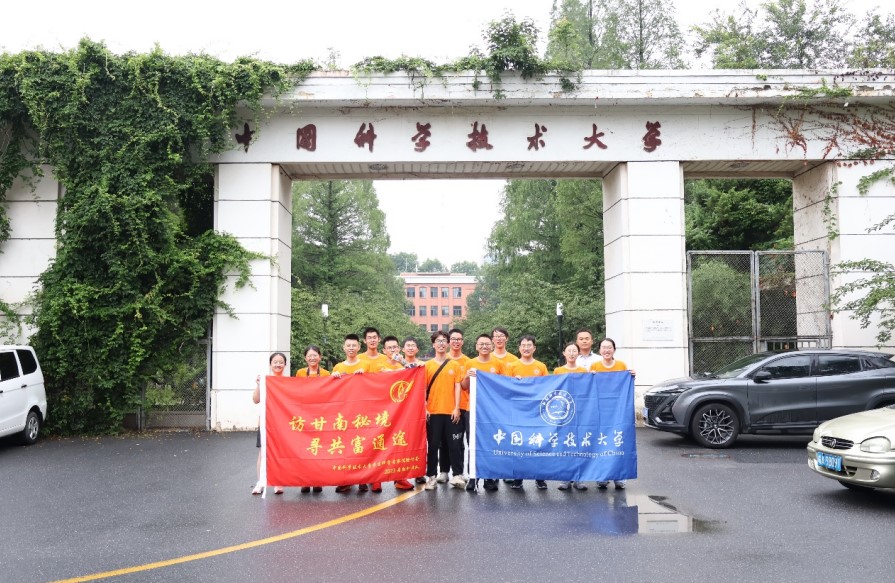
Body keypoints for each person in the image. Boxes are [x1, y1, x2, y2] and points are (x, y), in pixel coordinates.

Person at [589, 337, 636, 490]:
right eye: (604, 347)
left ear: (614, 350)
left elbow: (625, 385)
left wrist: (631, 376)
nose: (606, 350)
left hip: (618, 412)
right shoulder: (595, 366)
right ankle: (602, 476)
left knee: (618, 442)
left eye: (609, 347)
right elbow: (589, 387)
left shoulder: (621, 365)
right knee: (602, 443)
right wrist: (590, 376)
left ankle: (619, 476)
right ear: (599, 350)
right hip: (601, 411)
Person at [460, 333, 505, 492]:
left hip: (492, 411)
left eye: (487, 344)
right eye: (481, 344)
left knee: (491, 443)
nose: (484, 346)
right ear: (476, 346)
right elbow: (464, 386)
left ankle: (489, 478)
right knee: (472, 443)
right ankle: (473, 477)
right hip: (472, 410)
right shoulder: (470, 363)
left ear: (491, 346)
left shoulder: (498, 364)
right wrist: (467, 376)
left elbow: (505, 385)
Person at [504, 335, 549, 490]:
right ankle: (518, 477)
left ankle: (540, 477)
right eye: (523, 345)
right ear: (519, 348)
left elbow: (547, 387)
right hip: (518, 412)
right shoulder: (512, 366)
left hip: (537, 412)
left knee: (538, 444)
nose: (526, 348)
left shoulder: (541, 366)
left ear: (534, 348)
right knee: (519, 444)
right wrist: (514, 383)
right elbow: (505, 388)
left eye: (529, 345)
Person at [423, 330, 465, 491]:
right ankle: (431, 477)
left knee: (454, 445)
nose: (441, 344)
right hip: (433, 412)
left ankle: (457, 475)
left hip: (451, 412)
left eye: (443, 341)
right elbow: (422, 389)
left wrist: (456, 408)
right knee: (433, 446)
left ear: (448, 344)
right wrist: (425, 407)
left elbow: (457, 387)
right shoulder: (427, 366)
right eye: (438, 341)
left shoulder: (454, 365)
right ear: (433, 344)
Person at [332, 334, 373, 493]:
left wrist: (365, 376)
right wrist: (333, 377)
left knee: (361, 445)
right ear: (344, 348)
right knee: (345, 447)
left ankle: (362, 479)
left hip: (362, 412)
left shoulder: (366, 365)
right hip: (343, 413)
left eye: (353, 345)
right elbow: (331, 390)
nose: (351, 348)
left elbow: (377, 384)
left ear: (359, 347)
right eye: (348, 345)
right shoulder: (338, 367)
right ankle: (346, 480)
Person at [554, 342, 588, 491]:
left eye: (575, 351)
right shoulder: (558, 371)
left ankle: (579, 479)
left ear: (578, 353)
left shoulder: (584, 371)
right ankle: (565, 478)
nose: (572, 353)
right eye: (569, 351)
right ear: (564, 353)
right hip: (563, 414)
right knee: (565, 445)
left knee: (580, 445)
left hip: (580, 412)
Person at [252, 352, 287, 496]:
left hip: (283, 423)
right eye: (275, 362)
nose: (278, 364)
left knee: (281, 453)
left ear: (285, 364)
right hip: (266, 423)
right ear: (270, 364)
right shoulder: (265, 381)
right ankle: (261, 482)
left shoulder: (288, 382)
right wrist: (258, 385)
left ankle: (278, 482)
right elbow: (256, 400)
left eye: (281, 362)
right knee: (263, 453)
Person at [441, 328, 469, 484]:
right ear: (448, 342)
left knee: (458, 441)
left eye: (459, 339)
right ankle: (444, 471)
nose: (456, 342)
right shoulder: (441, 359)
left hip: (463, 406)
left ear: (462, 342)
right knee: (444, 441)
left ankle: (459, 472)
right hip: (444, 406)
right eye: (453, 339)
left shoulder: (468, 361)